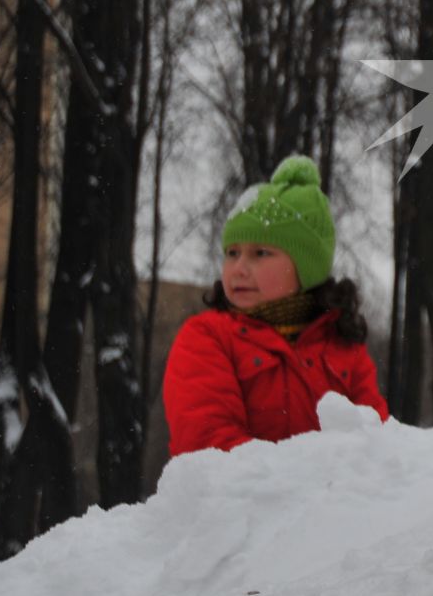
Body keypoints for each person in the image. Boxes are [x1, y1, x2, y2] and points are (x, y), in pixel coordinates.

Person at [164, 155, 389, 456]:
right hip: (240, 501)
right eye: (232, 253)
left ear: (304, 268)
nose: (239, 267)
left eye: (260, 253)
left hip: (336, 502)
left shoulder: (343, 346)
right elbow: (209, 447)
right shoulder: (206, 338)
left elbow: (378, 446)